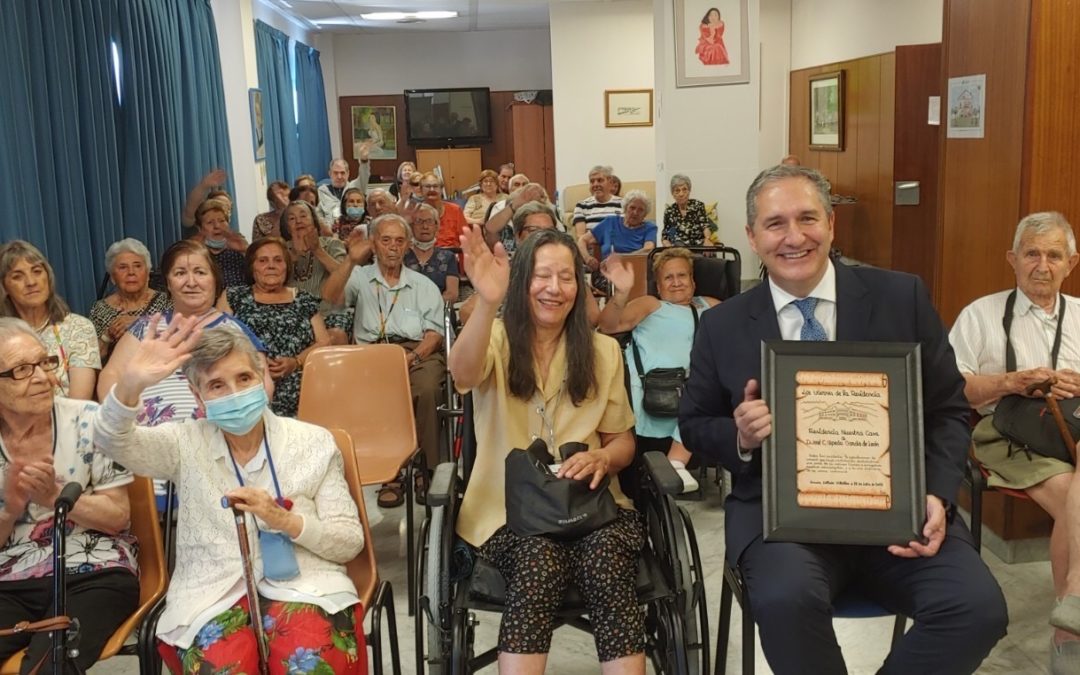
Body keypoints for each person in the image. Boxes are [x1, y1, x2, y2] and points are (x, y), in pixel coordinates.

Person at [678, 164, 1007, 674]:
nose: (794, 237)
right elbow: (694, 423)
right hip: (783, 523)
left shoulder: (903, 297)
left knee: (977, 608)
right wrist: (740, 436)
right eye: (775, 223)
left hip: (898, 510)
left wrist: (937, 495)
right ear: (751, 236)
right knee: (786, 600)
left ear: (832, 223)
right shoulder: (721, 326)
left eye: (807, 218)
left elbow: (947, 409)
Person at [94, 322, 368, 674]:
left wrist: (286, 521)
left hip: (307, 587)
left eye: (244, 379)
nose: (235, 393)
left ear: (263, 379)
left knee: (311, 664)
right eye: (217, 386)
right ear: (198, 396)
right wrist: (130, 385)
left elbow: (349, 543)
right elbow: (110, 441)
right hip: (212, 595)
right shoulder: (183, 442)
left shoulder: (312, 442)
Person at [449, 225, 645, 674]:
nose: (554, 289)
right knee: (539, 560)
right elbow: (461, 373)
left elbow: (623, 443)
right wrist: (488, 301)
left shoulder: (601, 352)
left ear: (579, 285)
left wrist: (603, 458)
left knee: (606, 562)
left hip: (592, 504)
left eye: (566, 277)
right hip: (505, 509)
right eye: (541, 276)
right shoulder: (497, 338)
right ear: (521, 284)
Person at [948, 211, 1080, 669]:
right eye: (1032, 253)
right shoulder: (980, 314)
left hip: (1073, 428)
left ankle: (1074, 602)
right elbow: (950, 388)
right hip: (1007, 432)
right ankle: (1069, 630)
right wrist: (1011, 382)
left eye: (1054, 255)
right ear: (1012, 259)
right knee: (1070, 498)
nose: (1042, 265)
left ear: (1072, 263)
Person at [0, 318, 140, 672]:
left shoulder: (91, 421)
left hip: (93, 571)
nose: (43, 377)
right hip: (9, 580)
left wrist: (55, 496)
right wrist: (10, 510)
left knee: (51, 667)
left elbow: (118, 517)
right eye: (21, 370)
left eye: (45, 362)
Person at [323, 214, 445, 508]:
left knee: (427, 388)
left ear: (408, 246)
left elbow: (435, 333)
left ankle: (424, 471)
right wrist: (350, 260)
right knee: (379, 394)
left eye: (399, 241)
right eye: (385, 240)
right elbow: (329, 297)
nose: (392, 247)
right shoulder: (359, 277)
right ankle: (391, 473)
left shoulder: (423, 285)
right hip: (371, 355)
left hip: (416, 351)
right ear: (373, 245)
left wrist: (413, 356)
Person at [97, 240, 267, 428]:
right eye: (180, 273)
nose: (191, 282)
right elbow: (110, 375)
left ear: (214, 279)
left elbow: (262, 383)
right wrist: (126, 418)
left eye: (200, 272)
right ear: (168, 283)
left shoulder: (235, 330)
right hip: (149, 439)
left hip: (219, 437)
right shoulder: (147, 327)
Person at [598, 248, 719, 492]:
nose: (676, 283)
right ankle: (674, 464)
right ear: (659, 286)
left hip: (696, 387)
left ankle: (676, 463)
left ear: (693, 281)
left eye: (682, 276)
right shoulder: (651, 304)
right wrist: (621, 293)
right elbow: (608, 326)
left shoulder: (711, 305)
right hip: (654, 388)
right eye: (668, 278)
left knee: (710, 384)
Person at [218, 237, 330, 417]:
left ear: (286, 266)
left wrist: (296, 362)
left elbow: (324, 342)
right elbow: (217, 339)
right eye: (263, 261)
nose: (271, 266)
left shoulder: (304, 299)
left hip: (300, 389)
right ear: (252, 267)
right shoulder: (233, 296)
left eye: (278, 260)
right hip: (248, 384)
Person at [461, 201, 600, 326]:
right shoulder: (504, 268)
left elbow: (592, 317)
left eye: (548, 231)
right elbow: (466, 314)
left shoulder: (567, 266)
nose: (542, 236)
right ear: (517, 236)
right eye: (533, 230)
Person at [0, 241, 99, 400]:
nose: (31, 282)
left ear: (48, 277)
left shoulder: (78, 327)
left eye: (37, 271)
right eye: (18, 276)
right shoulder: (3, 336)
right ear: (4, 287)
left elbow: (79, 403)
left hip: (68, 420)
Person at [279, 200, 354, 345]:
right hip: (292, 313)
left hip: (328, 312)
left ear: (314, 221)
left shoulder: (332, 244)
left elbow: (344, 275)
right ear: (287, 227)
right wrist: (294, 256)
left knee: (335, 335)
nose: (298, 221)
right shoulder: (280, 249)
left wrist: (317, 250)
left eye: (303, 216)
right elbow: (274, 279)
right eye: (292, 218)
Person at [90, 238, 172, 361]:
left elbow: (179, 339)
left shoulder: (168, 302)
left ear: (148, 273)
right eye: (123, 267)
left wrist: (142, 325)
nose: (131, 272)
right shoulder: (100, 309)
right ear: (112, 277)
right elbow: (91, 359)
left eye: (137, 266)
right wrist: (107, 336)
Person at [577, 190, 657, 272]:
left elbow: (648, 249)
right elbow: (582, 240)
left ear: (645, 214)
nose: (635, 212)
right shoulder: (610, 222)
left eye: (641, 210)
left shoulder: (650, 227)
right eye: (632, 208)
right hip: (608, 274)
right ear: (625, 208)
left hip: (636, 273)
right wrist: (587, 258)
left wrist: (621, 259)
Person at [406, 204, 460, 302]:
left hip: (437, 310)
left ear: (436, 226)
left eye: (429, 221)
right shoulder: (401, 256)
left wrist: (429, 305)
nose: (425, 227)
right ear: (411, 226)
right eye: (419, 221)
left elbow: (452, 295)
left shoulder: (448, 257)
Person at [193, 198, 248, 288]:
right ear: (200, 228)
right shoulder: (194, 253)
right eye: (210, 222)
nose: (217, 226)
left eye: (222, 221)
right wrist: (193, 250)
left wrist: (245, 251)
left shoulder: (239, 249)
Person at [317, 149, 371, 227]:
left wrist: (364, 161)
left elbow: (364, 175)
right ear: (330, 174)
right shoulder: (321, 191)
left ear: (348, 173)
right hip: (331, 231)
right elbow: (319, 215)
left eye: (342, 173)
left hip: (355, 228)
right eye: (336, 173)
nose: (339, 177)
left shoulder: (355, 186)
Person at [419, 172, 468, 248]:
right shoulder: (415, 212)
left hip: (453, 254)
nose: (432, 189)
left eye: (435, 186)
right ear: (421, 190)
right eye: (428, 186)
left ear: (441, 190)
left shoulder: (456, 210)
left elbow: (465, 239)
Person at [572, 165, 623, 238]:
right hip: (592, 247)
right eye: (592, 181)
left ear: (610, 182)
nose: (595, 184)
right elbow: (580, 237)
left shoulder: (623, 203)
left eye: (600, 180)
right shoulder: (581, 206)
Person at [662, 174, 713, 247]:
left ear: (689, 191)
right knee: (678, 244)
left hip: (698, 247)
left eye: (684, 189)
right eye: (677, 190)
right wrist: (667, 245)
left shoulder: (698, 205)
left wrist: (707, 239)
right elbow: (665, 235)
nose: (681, 194)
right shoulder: (669, 211)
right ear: (672, 194)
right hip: (678, 249)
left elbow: (705, 226)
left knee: (709, 251)